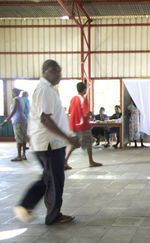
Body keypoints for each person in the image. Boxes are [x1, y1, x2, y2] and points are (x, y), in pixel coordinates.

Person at [13, 59, 79, 225]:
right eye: (57, 71)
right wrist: (67, 137)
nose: (60, 75)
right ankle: (52, 215)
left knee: (48, 178)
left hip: (46, 143)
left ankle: (26, 205)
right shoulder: (45, 90)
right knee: (55, 181)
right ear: (47, 71)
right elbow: (44, 119)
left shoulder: (46, 89)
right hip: (50, 144)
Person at [64, 82, 102, 170]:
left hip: (74, 124)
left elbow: (70, 111)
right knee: (84, 142)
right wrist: (90, 114)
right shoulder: (84, 99)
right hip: (83, 125)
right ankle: (90, 161)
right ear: (84, 89)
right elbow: (85, 114)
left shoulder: (73, 98)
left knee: (79, 143)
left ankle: (65, 161)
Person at [2, 88, 28, 161]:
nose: (11, 94)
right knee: (23, 138)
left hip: (18, 121)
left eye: (12, 92)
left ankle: (19, 156)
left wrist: (6, 121)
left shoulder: (16, 99)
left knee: (19, 139)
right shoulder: (21, 99)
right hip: (23, 120)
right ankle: (24, 155)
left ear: (14, 93)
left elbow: (14, 111)